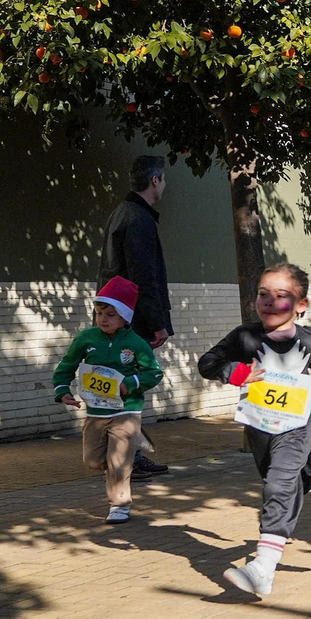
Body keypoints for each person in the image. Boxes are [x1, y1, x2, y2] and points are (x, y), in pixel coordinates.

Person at [199, 263, 311, 599]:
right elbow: (207, 362)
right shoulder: (244, 337)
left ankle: (262, 568)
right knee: (279, 482)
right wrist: (235, 372)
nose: (269, 302)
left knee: (278, 483)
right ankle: (310, 479)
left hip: (296, 427)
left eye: (281, 296)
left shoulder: (309, 338)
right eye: (263, 295)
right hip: (259, 427)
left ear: (301, 305)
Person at [51, 276, 164, 524]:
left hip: (127, 411)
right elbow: (66, 365)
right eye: (100, 313)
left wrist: (130, 383)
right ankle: (123, 461)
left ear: (124, 317)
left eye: (111, 314)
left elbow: (154, 373)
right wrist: (63, 390)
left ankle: (120, 505)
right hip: (97, 412)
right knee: (92, 459)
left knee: (118, 460)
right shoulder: (86, 338)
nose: (103, 319)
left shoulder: (136, 344)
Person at [101, 155, 174, 480]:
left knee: (123, 389)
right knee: (129, 390)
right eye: (164, 179)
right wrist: (157, 322)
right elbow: (143, 276)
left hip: (117, 318)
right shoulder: (139, 219)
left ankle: (128, 455)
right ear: (155, 180)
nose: (165, 185)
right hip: (133, 322)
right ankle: (126, 459)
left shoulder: (121, 214)